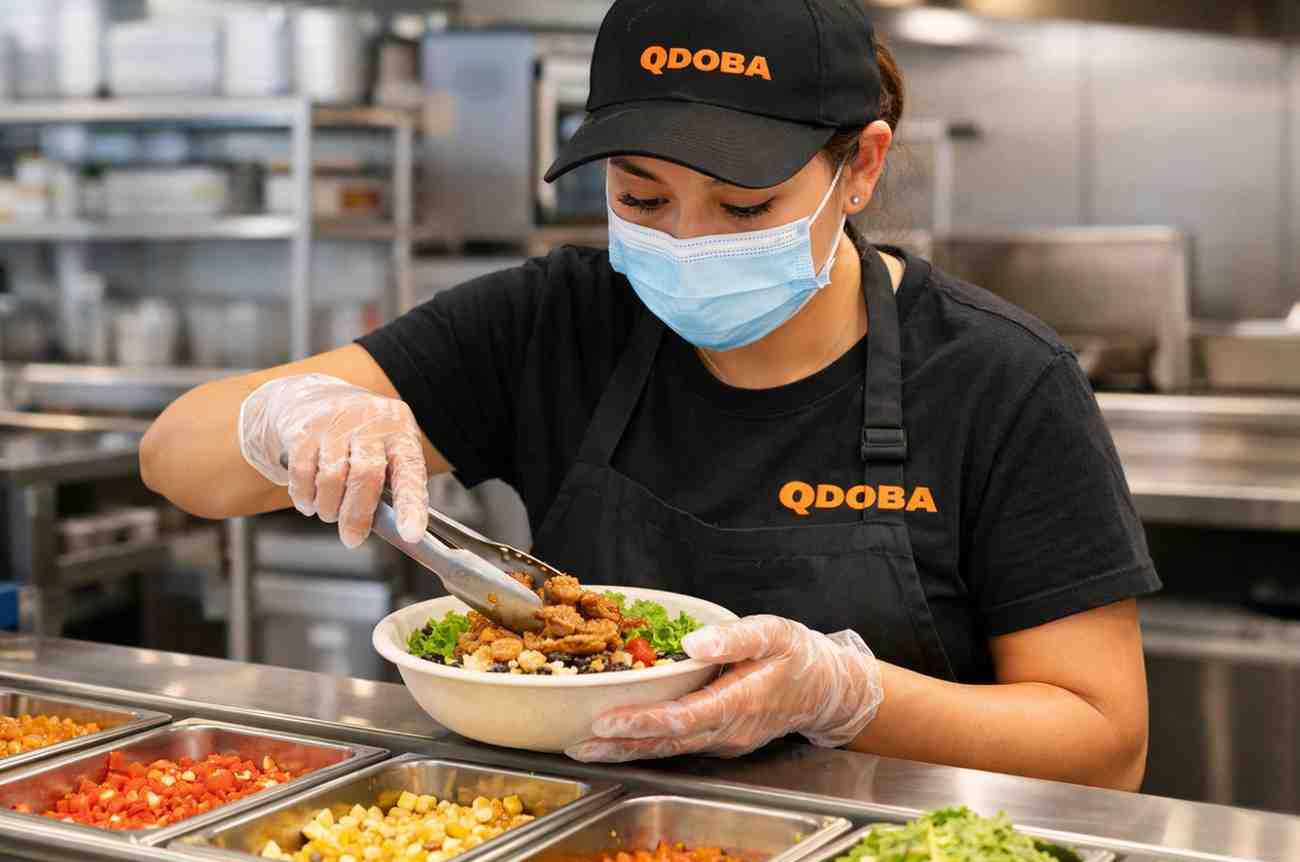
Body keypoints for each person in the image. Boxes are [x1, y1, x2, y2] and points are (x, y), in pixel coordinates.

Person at [142, 0, 1159, 788]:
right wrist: (294, 415)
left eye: (745, 204)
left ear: (861, 167)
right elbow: (178, 461)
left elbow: (1104, 746)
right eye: (639, 197)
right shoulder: (554, 321)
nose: (686, 240)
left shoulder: (997, 378)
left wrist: (848, 696)